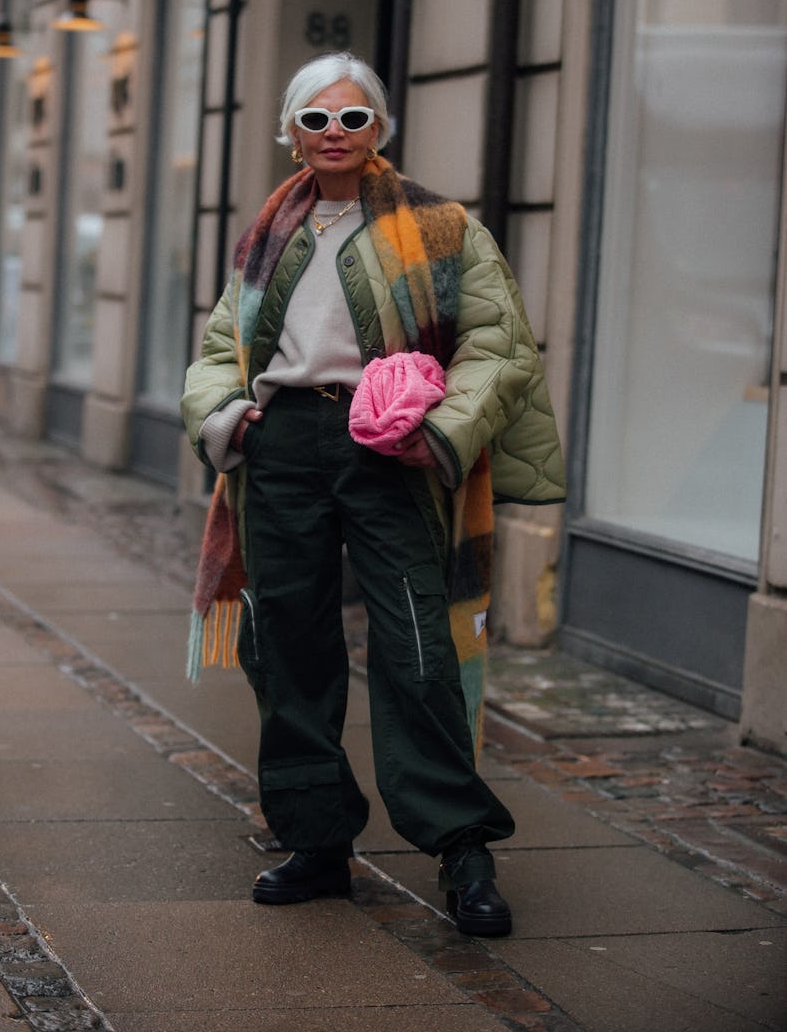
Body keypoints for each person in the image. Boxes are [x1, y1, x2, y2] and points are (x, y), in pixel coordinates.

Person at [181, 52, 565, 938]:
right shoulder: (265, 236)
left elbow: (498, 345)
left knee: (419, 643)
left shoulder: (441, 226)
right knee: (287, 645)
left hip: (388, 448)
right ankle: (317, 843)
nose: (334, 135)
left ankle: (463, 847)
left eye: (353, 119)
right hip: (280, 450)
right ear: (291, 134)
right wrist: (228, 417)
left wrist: (441, 434)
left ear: (380, 128)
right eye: (315, 120)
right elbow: (215, 352)